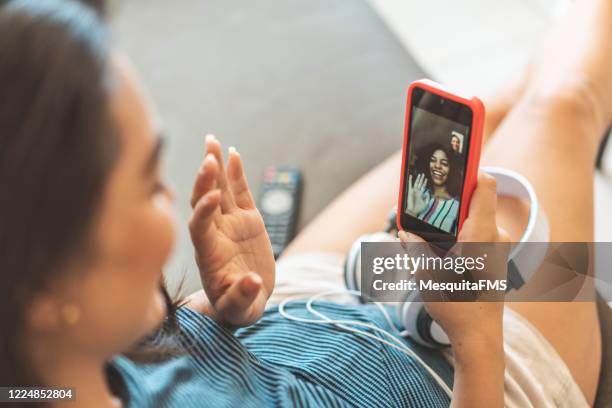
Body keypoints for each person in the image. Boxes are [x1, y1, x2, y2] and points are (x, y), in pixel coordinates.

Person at [0, 0, 608, 407]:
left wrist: (217, 307)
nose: (170, 207)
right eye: (148, 183)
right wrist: (477, 338)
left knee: (484, 111)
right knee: (561, 103)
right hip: (468, 376)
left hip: (299, 314)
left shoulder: (32, 386)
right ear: (45, 290)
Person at [406, 144, 460, 234]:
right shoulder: (416, 192)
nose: (437, 166)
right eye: (433, 160)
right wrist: (411, 212)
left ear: (451, 169)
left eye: (444, 163)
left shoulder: (456, 207)